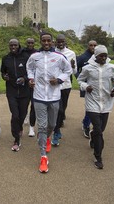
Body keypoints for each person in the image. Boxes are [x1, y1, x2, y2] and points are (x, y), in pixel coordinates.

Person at [27, 32, 72, 173]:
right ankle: (43, 157)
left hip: (54, 96)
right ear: (40, 42)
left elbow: (68, 70)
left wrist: (59, 80)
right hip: (39, 96)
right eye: (43, 41)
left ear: (52, 42)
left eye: (48, 41)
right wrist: (30, 78)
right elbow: (29, 68)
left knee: (52, 124)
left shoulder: (59, 57)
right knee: (42, 126)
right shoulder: (34, 57)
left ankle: (47, 138)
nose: (46, 43)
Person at [77, 45, 114, 169]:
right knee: (99, 130)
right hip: (92, 102)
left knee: (100, 129)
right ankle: (98, 157)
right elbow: (80, 80)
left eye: (105, 56)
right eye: (101, 56)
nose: (104, 58)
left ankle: (93, 136)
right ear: (95, 56)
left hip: (106, 102)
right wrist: (86, 87)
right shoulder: (87, 68)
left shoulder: (111, 67)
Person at [1, 38, 30, 151]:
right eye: (11, 45)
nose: (13, 47)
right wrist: (5, 77)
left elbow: (31, 71)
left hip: (24, 91)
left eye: (15, 45)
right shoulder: (6, 58)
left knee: (22, 115)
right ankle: (16, 138)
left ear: (19, 45)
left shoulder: (26, 57)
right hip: (11, 91)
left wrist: (24, 78)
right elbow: (3, 72)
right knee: (15, 115)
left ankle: (20, 127)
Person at [51, 34, 77, 146]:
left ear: (65, 42)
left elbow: (74, 72)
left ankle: (58, 126)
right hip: (55, 85)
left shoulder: (71, 53)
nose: (60, 43)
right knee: (58, 109)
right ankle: (56, 132)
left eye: (62, 41)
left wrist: (73, 67)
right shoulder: (51, 52)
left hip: (66, 85)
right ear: (55, 42)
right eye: (58, 41)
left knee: (62, 110)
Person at [76, 40, 98, 138]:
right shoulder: (82, 57)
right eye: (91, 45)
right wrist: (80, 78)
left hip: (97, 87)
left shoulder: (100, 57)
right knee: (90, 107)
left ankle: (87, 122)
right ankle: (86, 125)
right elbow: (75, 69)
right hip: (87, 87)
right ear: (87, 46)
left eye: (95, 45)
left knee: (96, 107)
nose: (93, 47)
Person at [23, 37, 37, 137]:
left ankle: (32, 127)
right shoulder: (22, 52)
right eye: (28, 42)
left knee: (34, 105)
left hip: (34, 83)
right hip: (25, 82)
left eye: (32, 42)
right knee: (24, 104)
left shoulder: (37, 53)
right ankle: (25, 116)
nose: (30, 44)